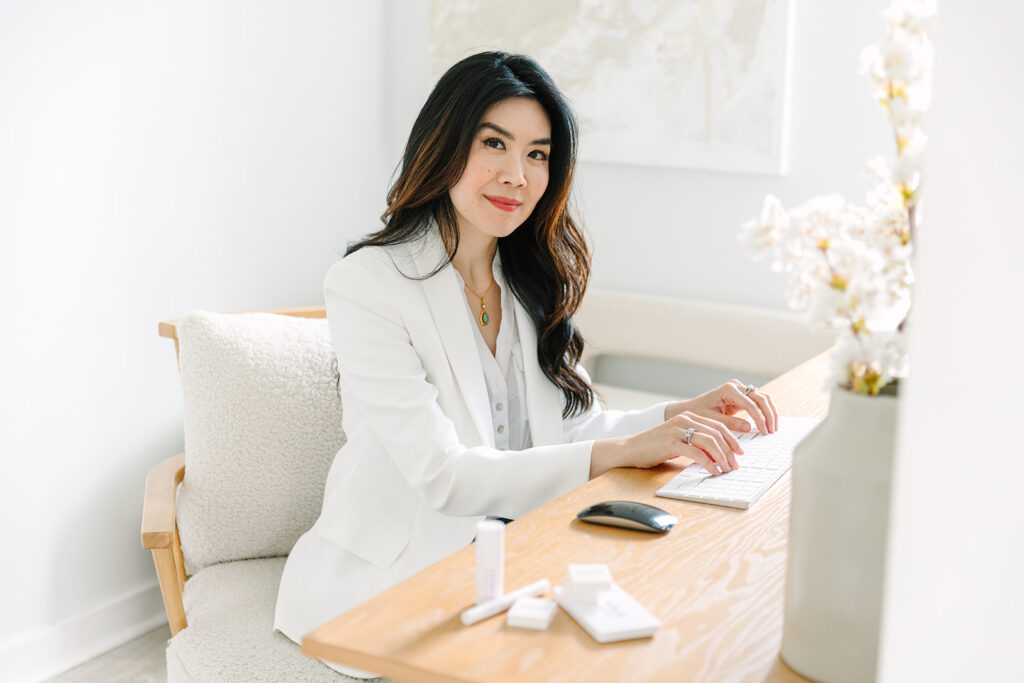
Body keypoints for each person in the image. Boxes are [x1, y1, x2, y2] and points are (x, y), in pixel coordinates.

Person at [273, 51, 778, 678]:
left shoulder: (526, 279)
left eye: (538, 154)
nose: (517, 175)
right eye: (494, 143)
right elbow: (442, 476)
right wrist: (626, 450)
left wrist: (677, 416)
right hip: (392, 584)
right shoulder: (367, 285)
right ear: (443, 144)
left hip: (517, 561)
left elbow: (572, 430)